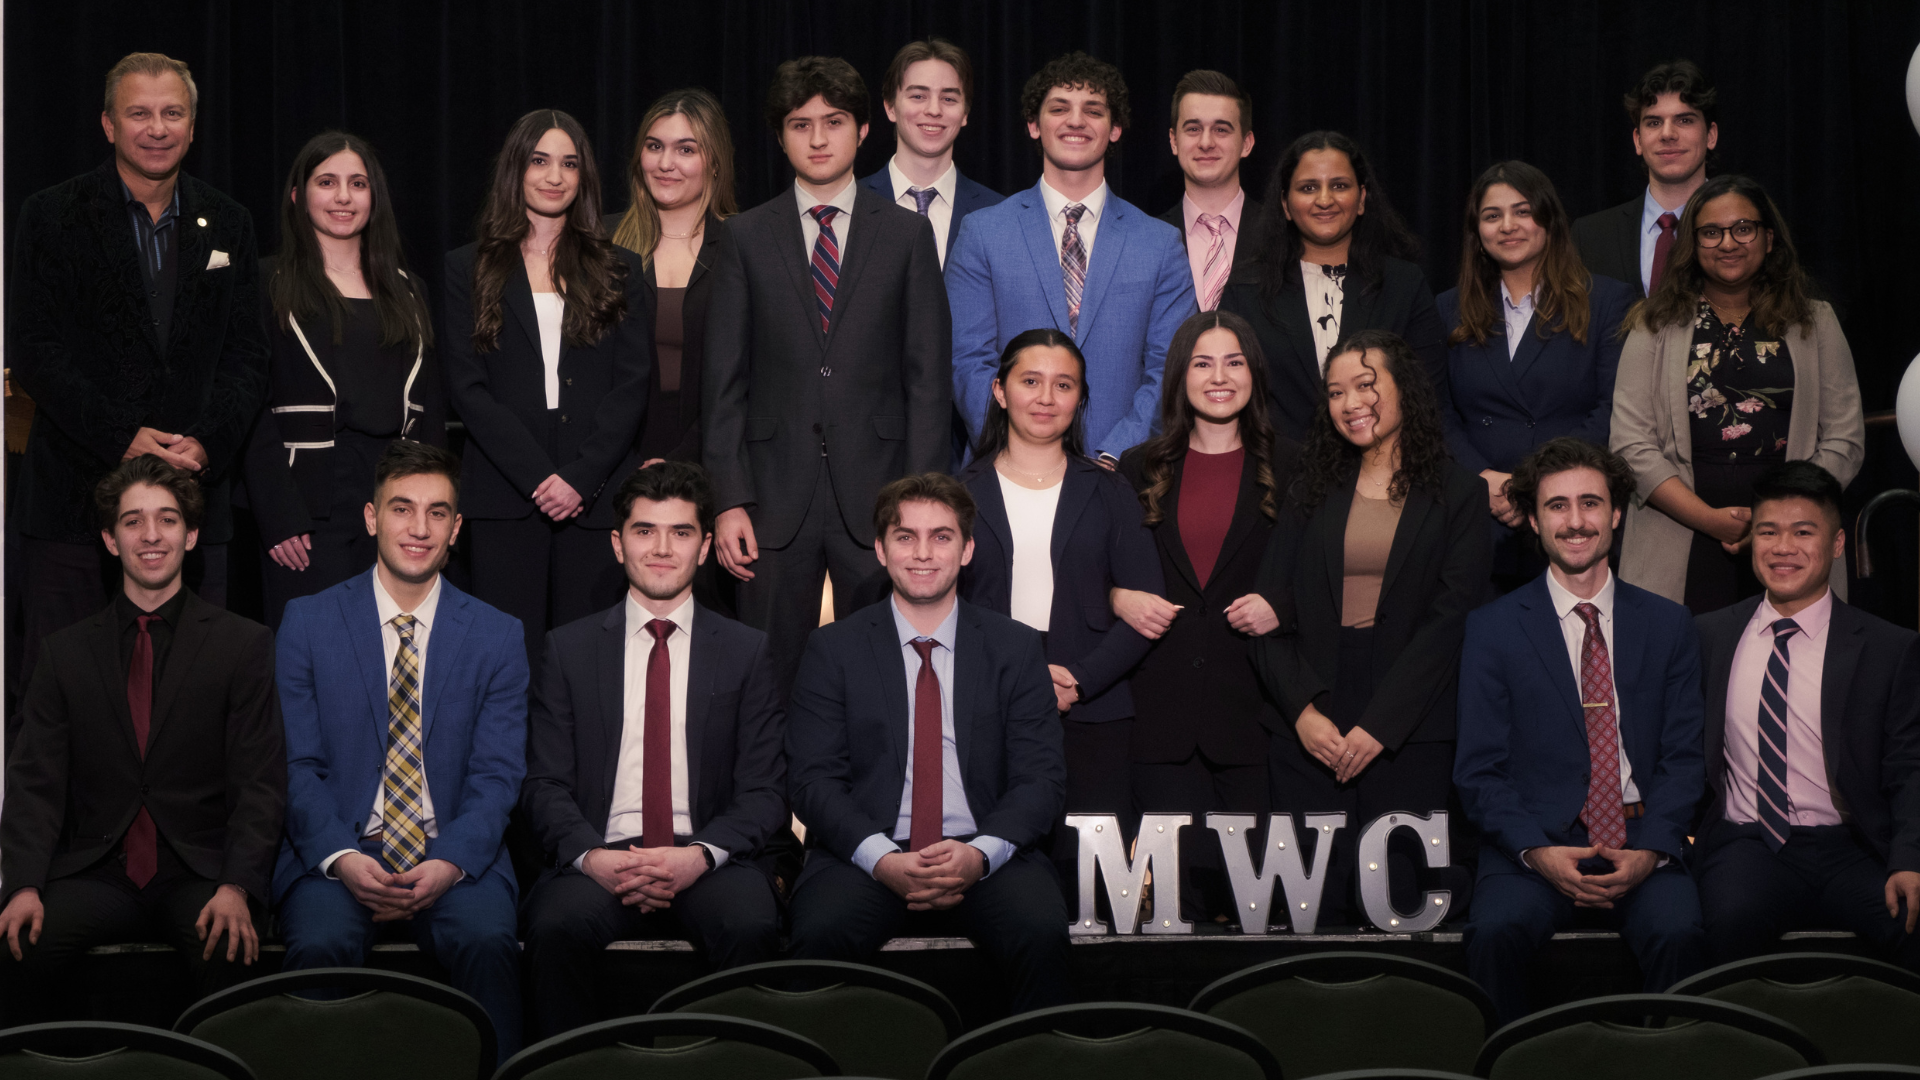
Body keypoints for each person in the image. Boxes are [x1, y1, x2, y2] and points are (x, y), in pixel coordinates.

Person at [8, 52, 268, 687]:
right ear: (108, 125)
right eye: (140, 113)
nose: (157, 127)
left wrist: (205, 444)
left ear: (193, 125)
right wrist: (121, 434)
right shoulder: (51, 215)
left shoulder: (229, 221)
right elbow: (35, 350)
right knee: (64, 700)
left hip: (192, 502)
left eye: (172, 112)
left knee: (195, 700)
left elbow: (248, 355)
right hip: (73, 505)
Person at [0, 457, 284, 1024]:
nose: (151, 536)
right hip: (98, 871)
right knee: (16, 946)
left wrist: (238, 886)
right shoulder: (65, 653)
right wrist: (23, 886)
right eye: (132, 521)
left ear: (193, 534)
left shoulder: (243, 645)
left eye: (167, 520)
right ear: (110, 539)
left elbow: (261, 784)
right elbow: (35, 783)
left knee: (231, 950)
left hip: (199, 871)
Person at [273, 440, 528, 1062]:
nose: (419, 528)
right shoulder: (307, 623)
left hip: (456, 857)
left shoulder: (498, 634)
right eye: (402, 509)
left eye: (437, 512)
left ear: (456, 527)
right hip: (341, 853)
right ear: (371, 517)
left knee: (489, 939)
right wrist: (340, 857)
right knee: (318, 944)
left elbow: (498, 776)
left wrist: (451, 862)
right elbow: (296, 767)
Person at [704, 56, 950, 697]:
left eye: (833, 122)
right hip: (772, 496)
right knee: (765, 677)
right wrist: (729, 498)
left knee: (878, 675)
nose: (817, 138)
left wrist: (919, 504)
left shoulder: (905, 234)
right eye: (800, 124)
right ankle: (767, 801)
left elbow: (927, 379)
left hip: (879, 489)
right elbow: (723, 382)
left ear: (864, 130)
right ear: (780, 135)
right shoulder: (745, 237)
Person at [785, 474, 1072, 1014]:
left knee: (1041, 934)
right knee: (818, 935)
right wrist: (882, 859)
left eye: (941, 537)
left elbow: (1042, 779)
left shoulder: (1015, 647)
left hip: (987, 853)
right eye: (905, 536)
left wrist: (978, 855)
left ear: (967, 550)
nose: (922, 553)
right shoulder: (833, 649)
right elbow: (811, 781)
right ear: (880, 548)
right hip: (865, 858)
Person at [521, 462, 786, 1039]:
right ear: (618, 545)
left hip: (709, 856)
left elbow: (765, 792)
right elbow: (544, 784)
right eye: (645, 531)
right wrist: (596, 858)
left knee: (752, 922)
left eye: (681, 532)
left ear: (705, 545)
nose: (662, 548)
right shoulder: (567, 650)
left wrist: (699, 856)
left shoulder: (746, 650)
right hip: (600, 853)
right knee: (555, 927)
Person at [1455, 437, 1707, 1023]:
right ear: (1536, 522)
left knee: (1682, 933)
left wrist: (1650, 855)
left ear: (1616, 513)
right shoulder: (1492, 629)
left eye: (1590, 503)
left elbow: (1684, 761)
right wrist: (1539, 853)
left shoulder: (1669, 624)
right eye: (1557, 506)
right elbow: (1478, 769)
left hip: (1643, 839)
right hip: (1537, 841)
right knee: (1494, 934)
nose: (1576, 522)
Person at [1252, 329, 1489, 928]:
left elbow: (1451, 620)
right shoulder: (1311, 489)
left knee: (1407, 907)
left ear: (1404, 388)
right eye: (1335, 392)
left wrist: (1381, 727)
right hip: (1313, 718)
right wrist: (1302, 712)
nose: (1350, 402)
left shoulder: (1459, 495)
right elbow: (1268, 613)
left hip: (1411, 725)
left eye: (1365, 384)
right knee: (1316, 912)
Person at [956, 328, 1164, 904]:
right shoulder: (958, 494)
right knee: (1001, 889)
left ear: (1079, 400)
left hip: (1094, 708)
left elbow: (1146, 608)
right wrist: (1018, 684)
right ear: (999, 392)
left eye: (1063, 385)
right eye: (1030, 381)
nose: (1045, 397)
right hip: (985, 710)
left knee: (1095, 892)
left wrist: (1080, 680)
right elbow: (941, 607)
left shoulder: (1108, 489)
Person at [446, 109, 651, 676]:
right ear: (516, 169)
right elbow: (467, 389)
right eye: (540, 161)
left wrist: (580, 479)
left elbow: (632, 385)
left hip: (595, 499)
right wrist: (540, 478)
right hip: (504, 502)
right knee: (505, 666)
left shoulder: (621, 269)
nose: (554, 176)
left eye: (569, 163)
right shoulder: (467, 268)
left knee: (590, 667)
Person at [1692, 461, 1920, 968]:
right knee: (1724, 925)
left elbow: (1910, 768)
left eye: (1803, 532)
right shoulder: (1708, 636)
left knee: (1911, 924)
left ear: (1837, 544)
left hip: (1852, 846)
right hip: (1748, 843)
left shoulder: (1889, 647)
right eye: (1768, 532)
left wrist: (1909, 861)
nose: (1783, 547)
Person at [1610, 174, 1863, 612]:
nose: (1728, 243)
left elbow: (1845, 440)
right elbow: (1630, 444)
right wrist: (1708, 520)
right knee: (1683, 673)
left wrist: (1775, 520)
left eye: (1742, 228)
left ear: (1768, 237)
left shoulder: (1815, 321)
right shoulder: (1653, 323)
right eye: (1711, 232)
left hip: (1791, 537)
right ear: (1692, 243)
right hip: (1678, 533)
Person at [1117, 310, 1295, 922]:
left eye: (1234, 361)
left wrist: (1284, 605)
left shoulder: (1297, 470)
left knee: (1254, 908)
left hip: (1257, 714)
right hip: (1159, 714)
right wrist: (1118, 597)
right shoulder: (1138, 468)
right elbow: (1100, 570)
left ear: (1255, 374)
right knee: (1172, 908)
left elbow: (1322, 577)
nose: (1219, 377)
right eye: (1202, 363)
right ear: (1179, 377)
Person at [947, 51, 1194, 465]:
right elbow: (967, 360)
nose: (1075, 121)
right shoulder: (983, 233)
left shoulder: (1160, 244)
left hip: (1122, 478)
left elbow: (1169, 370)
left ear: (1115, 129)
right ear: (1033, 125)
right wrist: (1018, 451)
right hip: (1005, 472)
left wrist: (1115, 456)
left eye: (1093, 110)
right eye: (1059, 108)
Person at [243, 131, 444, 629]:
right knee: (313, 652)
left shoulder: (408, 289)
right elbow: (248, 408)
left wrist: (434, 505)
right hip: (307, 505)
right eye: (327, 182)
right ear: (297, 195)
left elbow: (432, 407)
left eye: (357, 183)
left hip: (394, 498)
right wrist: (277, 514)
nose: (343, 196)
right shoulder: (265, 283)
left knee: (392, 646)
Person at [1438, 160, 1632, 592]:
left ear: (1548, 219)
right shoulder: (1447, 310)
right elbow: (1437, 412)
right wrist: (1481, 477)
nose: (1508, 226)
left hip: (1572, 519)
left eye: (1523, 211)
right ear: (1477, 232)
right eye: (1492, 216)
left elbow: (1613, 408)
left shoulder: (1606, 301)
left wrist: (1535, 485)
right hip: (1479, 518)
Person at [1219, 132, 1446, 446]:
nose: (1324, 200)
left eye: (1339, 185)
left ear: (1362, 198)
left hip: (1382, 478)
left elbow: (1431, 399)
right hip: (1275, 479)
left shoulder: (1404, 284)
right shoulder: (1245, 288)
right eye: (1308, 187)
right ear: (1285, 204)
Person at [607, 88, 738, 467]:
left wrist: (682, 460)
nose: (666, 163)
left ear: (714, 162)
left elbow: (752, 379)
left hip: (716, 462)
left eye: (686, 149)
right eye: (654, 146)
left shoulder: (744, 246)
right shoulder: (600, 243)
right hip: (611, 465)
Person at [1573, 61, 1718, 299]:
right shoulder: (1590, 236)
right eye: (1654, 122)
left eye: (1684, 120)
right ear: (1638, 140)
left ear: (1710, 135)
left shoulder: (1744, 233)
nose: (1668, 134)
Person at [857, 39, 1004, 269]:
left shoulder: (998, 213)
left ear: (965, 113)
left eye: (948, 99)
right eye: (918, 96)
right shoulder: (851, 205)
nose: (934, 110)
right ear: (890, 107)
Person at [1158, 70, 1261, 312]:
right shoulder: (1146, 240)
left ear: (1246, 143)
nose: (1206, 143)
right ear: (1174, 141)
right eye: (1193, 129)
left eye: (1221, 130)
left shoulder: (1282, 235)